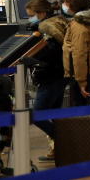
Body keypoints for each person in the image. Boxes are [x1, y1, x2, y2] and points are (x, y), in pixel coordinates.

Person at [21, 15, 68, 162]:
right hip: (58, 79)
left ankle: (63, 140)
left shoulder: (53, 45)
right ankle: (61, 146)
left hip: (50, 81)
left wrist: (31, 61)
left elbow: (48, 63)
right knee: (55, 113)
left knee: (37, 115)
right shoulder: (60, 43)